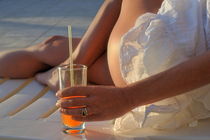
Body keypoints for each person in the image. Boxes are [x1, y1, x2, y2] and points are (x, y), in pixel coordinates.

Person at [1, 0, 210, 132]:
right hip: (191, 90)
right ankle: (67, 63)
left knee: (53, 48)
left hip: (156, 63)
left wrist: (129, 97)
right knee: (56, 47)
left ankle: (69, 66)